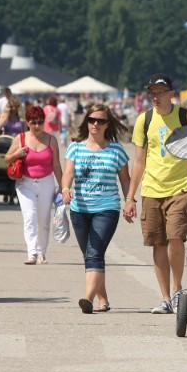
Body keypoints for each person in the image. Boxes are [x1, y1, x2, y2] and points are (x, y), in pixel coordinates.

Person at [123, 73, 187, 314]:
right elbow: (139, 161)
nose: (155, 96)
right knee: (158, 243)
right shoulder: (144, 121)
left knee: (176, 238)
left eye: (160, 92)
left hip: (179, 189)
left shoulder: (186, 117)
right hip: (152, 190)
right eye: (152, 92)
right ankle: (165, 297)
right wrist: (131, 197)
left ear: (171, 94)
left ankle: (177, 290)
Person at [61, 104, 131, 314]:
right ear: (86, 122)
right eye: (92, 120)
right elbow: (68, 173)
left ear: (107, 125)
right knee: (90, 255)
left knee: (94, 254)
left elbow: (125, 180)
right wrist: (65, 188)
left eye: (100, 121)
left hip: (107, 208)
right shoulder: (75, 147)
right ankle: (104, 300)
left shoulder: (116, 150)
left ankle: (87, 298)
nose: (95, 124)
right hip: (79, 209)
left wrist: (130, 201)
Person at [5, 105, 63, 265]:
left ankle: (42, 253)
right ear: (27, 122)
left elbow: (57, 165)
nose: (37, 126)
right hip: (25, 183)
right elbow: (7, 158)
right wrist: (17, 153)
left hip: (47, 182)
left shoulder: (52, 140)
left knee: (44, 220)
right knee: (30, 217)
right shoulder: (20, 138)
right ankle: (32, 253)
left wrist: (63, 187)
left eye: (40, 122)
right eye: (34, 122)